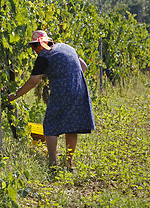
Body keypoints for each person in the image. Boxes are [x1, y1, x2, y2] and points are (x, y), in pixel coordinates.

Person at [8, 30, 95, 168]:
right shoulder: (66, 47)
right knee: (72, 126)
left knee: (50, 125)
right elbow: (83, 66)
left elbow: (32, 82)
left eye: (34, 47)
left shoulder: (44, 55)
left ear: (38, 45)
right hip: (80, 87)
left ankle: (53, 164)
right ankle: (69, 163)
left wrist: (14, 96)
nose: (34, 51)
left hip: (63, 91)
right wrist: (69, 77)